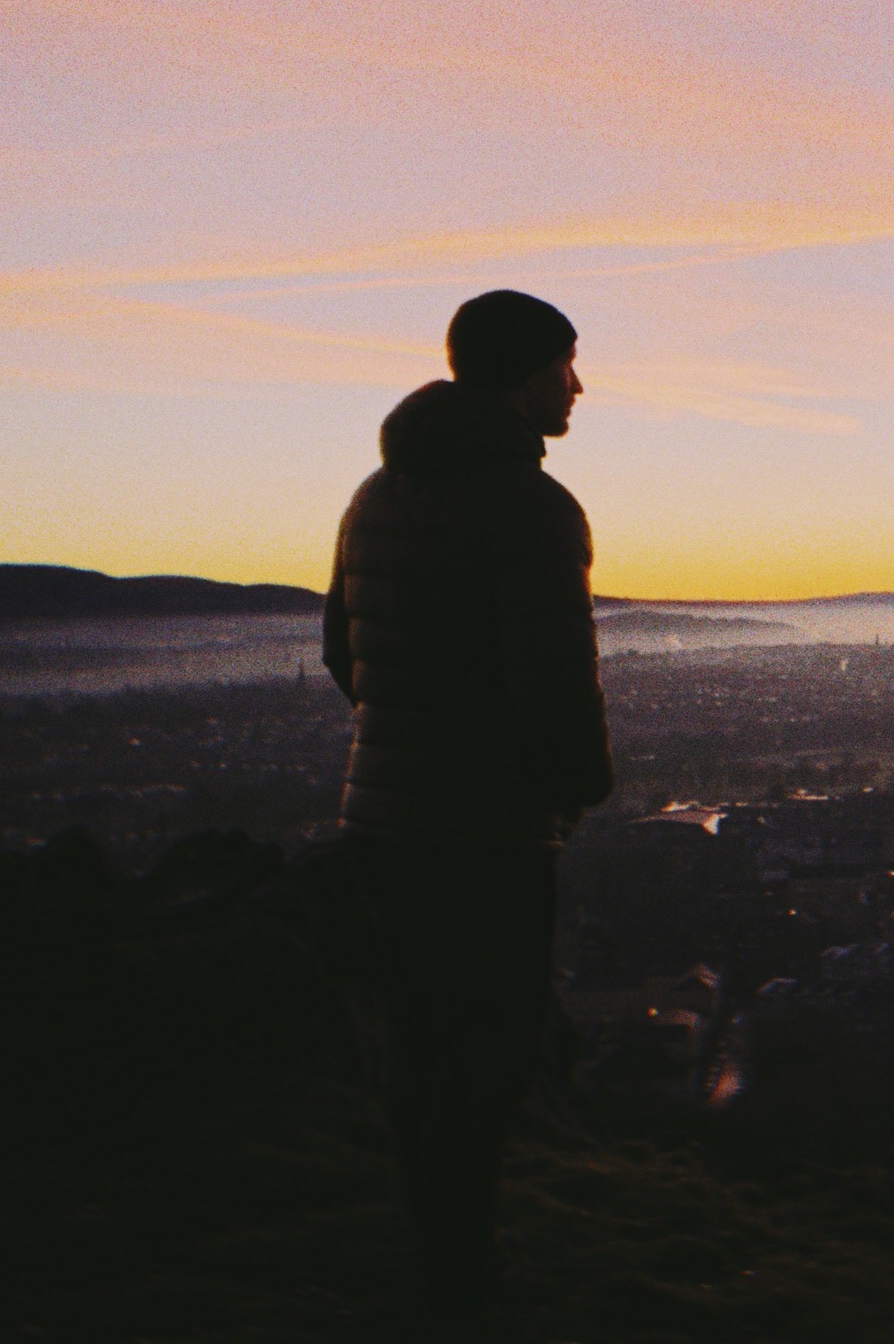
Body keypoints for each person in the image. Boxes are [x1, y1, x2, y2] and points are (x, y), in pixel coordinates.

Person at [321, 289, 613, 1323]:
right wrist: (576, 790)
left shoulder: (374, 495)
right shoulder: (534, 508)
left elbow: (342, 654)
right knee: (492, 1054)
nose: (578, 385)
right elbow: (554, 691)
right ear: (526, 373)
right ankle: (461, 1280)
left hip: (382, 819)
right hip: (486, 834)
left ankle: (434, 1246)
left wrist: (411, 734)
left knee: (418, 1045)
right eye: (566, 365)